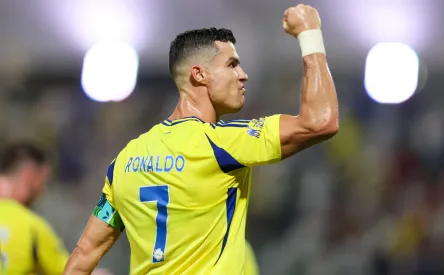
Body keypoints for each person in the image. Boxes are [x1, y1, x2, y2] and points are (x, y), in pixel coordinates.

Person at [64, 4, 338, 275]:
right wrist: (309, 32)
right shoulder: (222, 144)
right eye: (232, 64)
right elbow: (321, 121)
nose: (243, 75)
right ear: (199, 74)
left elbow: (84, 254)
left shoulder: (124, 161)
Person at [0, 142, 111, 275]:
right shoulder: (33, 228)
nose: (43, 191)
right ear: (29, 176)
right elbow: (73, 272)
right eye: (42, 182)